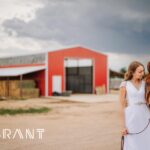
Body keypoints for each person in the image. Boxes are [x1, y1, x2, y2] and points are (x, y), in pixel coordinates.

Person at [119, 61, 150, 150]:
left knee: (146, 141)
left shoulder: (145, 84)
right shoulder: (124, 84)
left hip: (145, 115)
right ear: (132, 72)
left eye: (143, 71)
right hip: (131, 117)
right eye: (139, 71)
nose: (142, 73)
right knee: (132, 143)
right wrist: (123, 126)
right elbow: (121, 107)